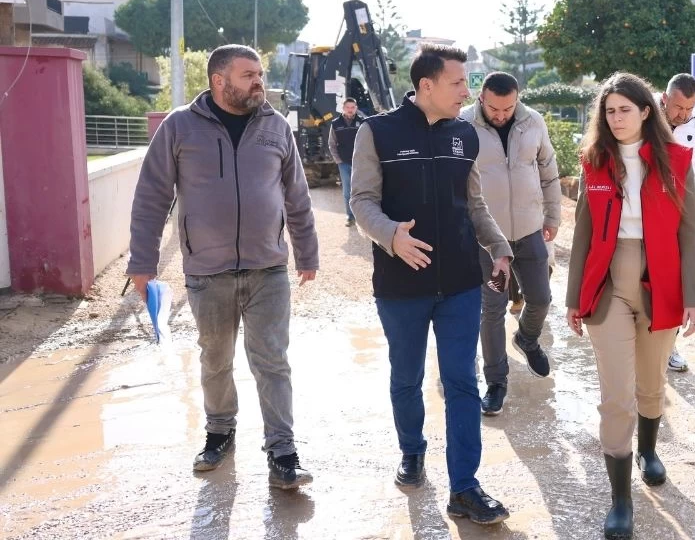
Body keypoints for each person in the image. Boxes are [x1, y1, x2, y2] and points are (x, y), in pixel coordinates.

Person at [127, 44, 319, 490]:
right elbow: (151, 196)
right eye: (249, 74)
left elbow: (297, 195)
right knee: (215, 358)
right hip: (206, 271)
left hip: (268, 268)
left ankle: (283, 450)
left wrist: (307, 253)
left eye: (260, 73)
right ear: (219, 81)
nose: (259, 82)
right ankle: (219, 431)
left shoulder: (275, 126)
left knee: (272, 360)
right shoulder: (179, 126)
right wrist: (143, 262)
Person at [349, 44, 514, 526]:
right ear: (427, 86)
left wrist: (500, 247)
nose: (468, 91)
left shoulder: (466, 134)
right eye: (459, 83)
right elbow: (361, 201)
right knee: (407, 377)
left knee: (463, 381)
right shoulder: (375, 132)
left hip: (462, 279)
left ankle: (465, 487)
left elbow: (475, 204)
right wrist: (390, 237)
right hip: (402, 284)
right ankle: (412, 452)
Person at [565, 72, 695, 540]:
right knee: (616, 395)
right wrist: (573, 299)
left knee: (652, 382)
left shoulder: (676, 159)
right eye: (609, 110)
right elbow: (583, 231)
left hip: (661, 279)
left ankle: (649, 451)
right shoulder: (595, 161)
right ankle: (621, 499)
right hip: (608, 285)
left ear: (647, 111)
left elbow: (690, 229)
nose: (617, 117)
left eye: (626, 108)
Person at [459, 71, 560, 416]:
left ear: (517, 100)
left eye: (508, 108)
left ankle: (527, 339)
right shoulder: (462, 126)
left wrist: (553, 216)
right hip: (488, 238)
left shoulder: (533, 122)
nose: (501, 115)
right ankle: (496, 382)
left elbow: (548, 169)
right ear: (481, 99)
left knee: (542, 298)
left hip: (530, 228)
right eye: (494, 109)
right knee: (492, 308)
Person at [656, 73, 695, 374]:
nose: (683, 115)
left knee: (678, 280)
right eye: (678, 107)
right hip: (646, 211)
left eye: (690, 108)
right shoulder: (643, 118)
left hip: (682, 212)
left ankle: (669, 346)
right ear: (665, 99)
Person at [328, 98, 366, 226]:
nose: (350, 110)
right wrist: (338, 160)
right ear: (343, 108)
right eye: (348, 107)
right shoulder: (335, 124)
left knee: (361, 190)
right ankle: (350, 217)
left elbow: (367, 142)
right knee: (347, 192)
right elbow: (331, 144)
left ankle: (362, 217)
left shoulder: (362, 122)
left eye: (353, 107)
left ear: (356, 108)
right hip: (343, 163)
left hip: (359, 163)